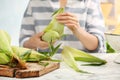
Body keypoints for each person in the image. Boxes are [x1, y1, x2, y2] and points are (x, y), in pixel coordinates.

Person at [19, 0, 106, 53]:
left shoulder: (90, 2)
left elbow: (97, 45)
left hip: (82, 69)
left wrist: (78, 30)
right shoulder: (35, 2)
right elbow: (24, 43)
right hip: (46, 68)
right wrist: (32, 43)